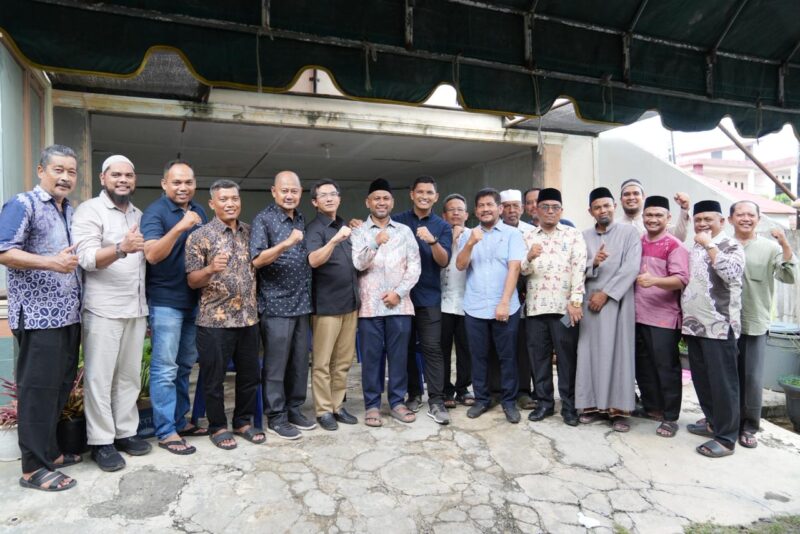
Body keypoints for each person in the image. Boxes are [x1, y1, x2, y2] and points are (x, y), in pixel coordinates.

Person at [0, 145, 82, 491]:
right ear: (40, 170)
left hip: (68, 315)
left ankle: (50, 451)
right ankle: (33, 469)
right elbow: (4, 250)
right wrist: (52, 263)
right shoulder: (23, 204)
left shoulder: (71, 211)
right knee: (37, 391)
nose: (65, 177)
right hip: (37, 317)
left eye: (71, 172)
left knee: (59, 388)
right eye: (58, 170)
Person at [72, 155, 151, 472]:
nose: (123, 180)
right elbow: (87, 258)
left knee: (129, 376)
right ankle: (101, 442)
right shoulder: (89, 210)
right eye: (116, 175)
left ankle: (125, 433)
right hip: (103, 308)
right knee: (99, 378)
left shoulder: (139, 214)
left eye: (129, 176)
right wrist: (121, 247)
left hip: (135, 307)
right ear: (103, 178)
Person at [185, 180, 264, 450]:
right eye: (223, 199)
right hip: (214, 321)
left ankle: (242, 422)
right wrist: (209, 270)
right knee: (213, 378)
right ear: (212, 204)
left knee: (250, 375)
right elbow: (192, 281)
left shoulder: (250, 233)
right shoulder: (199, 236)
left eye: (234, 198)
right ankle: (217, 426)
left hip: (248, 319)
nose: (230, 203)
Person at [141, 159, 208, 455]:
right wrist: (181, 226)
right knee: (165, 369)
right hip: (166, 301)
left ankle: (180, 421)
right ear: (164, 184)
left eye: (189, 182)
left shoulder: (200, 211)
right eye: (177, 182)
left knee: (183, 367)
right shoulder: (155, 213)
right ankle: (166, 431)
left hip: (194, 301)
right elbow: (153, 254)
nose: (183, 187)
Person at [250, 170, 315, 440]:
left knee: (300, 362)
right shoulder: (263, 219)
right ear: (274, 191)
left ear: (300, 194)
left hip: (302, 303)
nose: (289, 195)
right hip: (276, 305)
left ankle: (294, 408)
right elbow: (256, 260)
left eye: (294, 191)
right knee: (276, 366)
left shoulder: (299, 218)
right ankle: (276, 415)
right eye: (284, 190)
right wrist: (287, 244)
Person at [352, 179, 421, 427]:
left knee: (399, 356)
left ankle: (397, 402)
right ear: (368, 202)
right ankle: (372, 405)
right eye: (376, 198)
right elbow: (358, 264)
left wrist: (399, 293)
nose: (381, 202)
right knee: (371, 358)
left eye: (386, 198)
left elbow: (414, 266)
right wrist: (374, 242)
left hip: (399, 306)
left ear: (392, 202)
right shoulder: (358, 232)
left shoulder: (404, 231)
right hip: (369, 307)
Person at [729, 201, 797, 449]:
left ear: (758, 219)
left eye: (750, 215)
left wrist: (785, 244)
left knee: (751, 377)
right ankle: (725, 420)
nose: (745, 218)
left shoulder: (770, 248)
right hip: (723, 322)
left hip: (753, 321)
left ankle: (749, 426)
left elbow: (788, 275)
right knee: (724, 375)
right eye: (740, 214)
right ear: (730, 219)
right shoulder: (723, 245)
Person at [456, 188, 525, 424]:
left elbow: (514, 268)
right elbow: (460, 265)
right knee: (479, 356)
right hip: (475, 306)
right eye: (481, 206)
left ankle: (508, 401)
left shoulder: (512, 234)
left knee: (507, 357)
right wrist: (470, 244)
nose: (485, 209)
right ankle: (482, 399)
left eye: (490, 205)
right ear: (476, 211)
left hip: (505, 305)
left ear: (500, 208)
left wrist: (504, 302)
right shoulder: (470, 235)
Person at [682, 200, 745, 458]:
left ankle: (727, 438)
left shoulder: (732, 246)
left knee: (723, 384)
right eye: (699, 220)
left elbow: (731, 274)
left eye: (709, 219)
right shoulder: (693, 247)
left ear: (722, 221)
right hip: (695, 326)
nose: (703, 224)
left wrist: (709, 245)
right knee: (703, 380)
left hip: (720, 327)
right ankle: (712, 422)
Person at [576, 187, 641, 432]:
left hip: (618, 302)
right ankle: (590, 406)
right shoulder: (583, 236)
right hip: (589, 302)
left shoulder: (629, 233)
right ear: (590, 211)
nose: (603, 210)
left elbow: (631, 267)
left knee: (618, 354)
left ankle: (619, 409)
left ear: (614, 205)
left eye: (606, 205)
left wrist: (607, 294)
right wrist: (592, 264)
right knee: (589, 352)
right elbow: (576, 266)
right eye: (597, 207)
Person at [521, 188, 586, 427]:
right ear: (536, 210)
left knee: (567, 359)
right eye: (545, 207)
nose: (550, 211)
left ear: (561, 211)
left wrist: (576, 302)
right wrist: (528, 257)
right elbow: (522, 272)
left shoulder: (573, 235)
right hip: (536, 307)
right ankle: (545, 404)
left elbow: (580, 269)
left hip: (565, 309)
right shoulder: (527, 237)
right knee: (539, 358)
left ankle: (569, 407)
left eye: (555, 207)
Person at [394, 176, 453, 425]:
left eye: (429, 192)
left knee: (432, 349)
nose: (424, 196)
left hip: (429, 296)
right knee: (405, 348)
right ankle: (414, 394)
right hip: (401, 297)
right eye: (420, 192)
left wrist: (432, 241)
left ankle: (437, 400)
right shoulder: (397, 221)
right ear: (412, 194)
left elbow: (443, 261)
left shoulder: (442, 226)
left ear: (436, 197)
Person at [633, 196, 689, 438]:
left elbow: (681, 279)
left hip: (664, 318)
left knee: (666, 367)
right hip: (637, 315)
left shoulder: (674, 245)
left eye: (659, 215)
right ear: (643, 217)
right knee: (643, 366)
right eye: (649, 215)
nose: (653, 219)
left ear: (668, 218)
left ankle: (670, 416)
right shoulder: (638, 242)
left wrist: (654, 280)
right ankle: (652, 407)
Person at [306, 179, 360, 431]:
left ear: (339, 198)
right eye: (323, 195)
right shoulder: (315, 229)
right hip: (326, 306)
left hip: (350, 304)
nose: (329, 198)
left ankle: (338, 406)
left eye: (333, 194)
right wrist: (335, 240)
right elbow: (314, 261)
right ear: (315, 202)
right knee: (322, 363)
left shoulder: (346, 225)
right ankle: (323, 410)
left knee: (344, 361)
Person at [499, 189, 536, 410]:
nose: (512, 210)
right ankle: (499, 391)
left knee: (523, 347)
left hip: (525, 297)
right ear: (500, 209)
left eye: (516, 206)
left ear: (522, 209)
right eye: (507, 206)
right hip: (498, 297)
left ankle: (523, 392)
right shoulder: (493, 231)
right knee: (500, 348)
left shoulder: (532, 232)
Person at [440, 194, 475, 408]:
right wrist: (451, 240)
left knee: (466, 348)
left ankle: (463, 388)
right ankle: (444, 390)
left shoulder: (475, 235)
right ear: (444, 215)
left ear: (467, 214)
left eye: (460, 209)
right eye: (451, 210)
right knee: (441, 348)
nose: (455, 213)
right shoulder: (437, 235)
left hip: (468, 301)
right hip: (442, 302)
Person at [618, 178, 690, 241]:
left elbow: (679, 237)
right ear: (621, 200)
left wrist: (684, 209)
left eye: (636, 193)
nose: (631, 197)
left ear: (643, 197)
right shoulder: (613, 226)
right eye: (627, 194)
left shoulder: (654, 222)